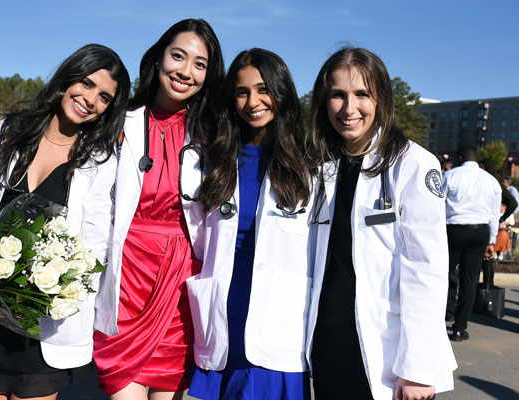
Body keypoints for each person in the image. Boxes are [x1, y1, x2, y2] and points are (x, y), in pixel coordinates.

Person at [0, 44, 130, 400]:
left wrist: (12, 311)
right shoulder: (8, 132)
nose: (90, 99)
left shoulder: (99, 160)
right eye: (85, 83)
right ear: (68, 78)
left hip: (39, 317)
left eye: (104, 97)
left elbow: (93, 245)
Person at [306, 47, 456, 400]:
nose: (348, 108)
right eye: (337, 95)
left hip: (386, 352)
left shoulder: (413, 165)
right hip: (327, 346)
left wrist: (417, 367)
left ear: (382, 100)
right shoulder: (321, 165)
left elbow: (427, 269)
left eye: (362, 95)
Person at [93, 19, 224, 400]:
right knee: (123, 387)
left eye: (199, 64)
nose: (186, 71)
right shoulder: (118, 122)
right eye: (178, 56)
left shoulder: (214, 134)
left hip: (181, 280)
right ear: (158, 59)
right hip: (127, 277)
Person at [187, 48, 315, 400]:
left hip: (280, 309)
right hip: (226, 301)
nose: (252, 101)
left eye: (263, 89)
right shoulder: (214, 156)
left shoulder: (311, 163)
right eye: (242, 92)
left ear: (281, 92)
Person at [444, 145, 501, 341]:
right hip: (480, 232)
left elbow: (437, 205)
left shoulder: (450, 176)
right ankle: (459, 328)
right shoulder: (491, 181)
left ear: (460, 157)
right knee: (469, 279)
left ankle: (440, 318)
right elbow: (495, 215)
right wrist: (491, 242)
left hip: (454, 229)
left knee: (443, 274)